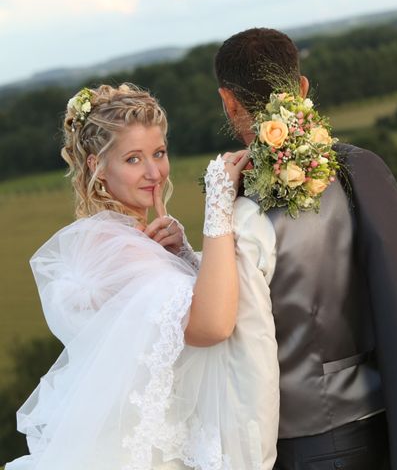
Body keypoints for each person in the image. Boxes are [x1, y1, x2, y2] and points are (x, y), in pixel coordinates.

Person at [213, 28, 397, 469]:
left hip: (300, 442)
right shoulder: (360, 170)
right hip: (390, 422)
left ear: (229, 101)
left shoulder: (232, 211)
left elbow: (220, 326)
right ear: (301, 88)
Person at [5, 83, 279, 470]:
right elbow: (212, 325)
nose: (154, 172)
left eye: (159, 153)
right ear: (95, 167)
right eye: (133, 159)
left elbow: (166, 327)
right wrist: (218, 209)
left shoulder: (129, 238)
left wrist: (185, 256)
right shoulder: (108, 244)